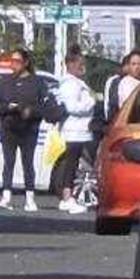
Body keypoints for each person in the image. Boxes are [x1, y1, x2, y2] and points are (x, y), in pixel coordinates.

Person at [0, 48, 48, 212]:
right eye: (12, 61)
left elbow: (44, 105)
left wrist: (32, 111)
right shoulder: (5, 82)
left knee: (28, 162)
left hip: (29, 128)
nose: (13, 65)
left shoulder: (37, 83)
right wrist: (7, 107)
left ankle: (30, 198)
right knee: (9, 161)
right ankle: (6, 196)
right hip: (9, 126)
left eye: (17, 61)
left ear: (26, 63)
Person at [55, 50, 96, 214]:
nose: (82, 67)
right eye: (80, 64)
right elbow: (72, 107)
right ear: (70, 64)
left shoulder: (77, 83)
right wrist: (90, 101)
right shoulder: (70, 84)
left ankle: (68, 196)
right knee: (70, 164)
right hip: (73, 130)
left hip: (80, 130)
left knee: (73, 163)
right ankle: (67, 197)